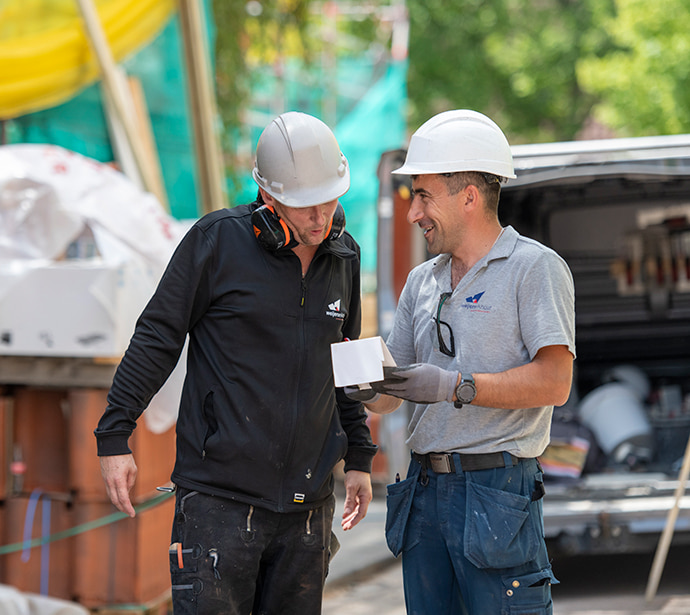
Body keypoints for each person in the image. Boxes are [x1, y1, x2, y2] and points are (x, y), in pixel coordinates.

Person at [95, 111, 377, 615]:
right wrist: (115, 433)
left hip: (307, 511)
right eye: (305, 206)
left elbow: (346, 358)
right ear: (269, 200)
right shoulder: (216, 242)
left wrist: (358, 456)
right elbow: (158, 335)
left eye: (329, 201)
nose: (320, 218)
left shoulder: (345, 257)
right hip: (218, 505)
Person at [357, 109, 575, 614]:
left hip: (496, 492)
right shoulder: (422, 281)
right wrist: (370, 386)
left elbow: (555, 382)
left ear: (469, 197)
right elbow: (397, 394)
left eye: (423, 196)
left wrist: (457, 386)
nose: (414, 213)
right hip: (424, 491)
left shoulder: (535, 269)